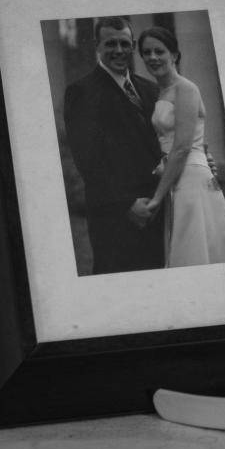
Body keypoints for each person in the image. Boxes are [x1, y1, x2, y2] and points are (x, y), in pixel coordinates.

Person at [62, 17, 165, 274]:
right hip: (116, 215)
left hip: (159, 209)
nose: (118, 50)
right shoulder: (82, 92)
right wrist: (128, 204)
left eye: (124, 44)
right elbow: (87, 158)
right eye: (110, 44)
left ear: (132, 46)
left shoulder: (150, 89)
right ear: (97, 45)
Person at [136, 25, 225, 268]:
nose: (152, 57)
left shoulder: (186, 88)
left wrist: (156, 198)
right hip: (178, 173)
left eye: (159, 51)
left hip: (190, 177)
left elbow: (184, 146)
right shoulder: (161, 91)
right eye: (147, 52)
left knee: (194, 249)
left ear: (174, 55)